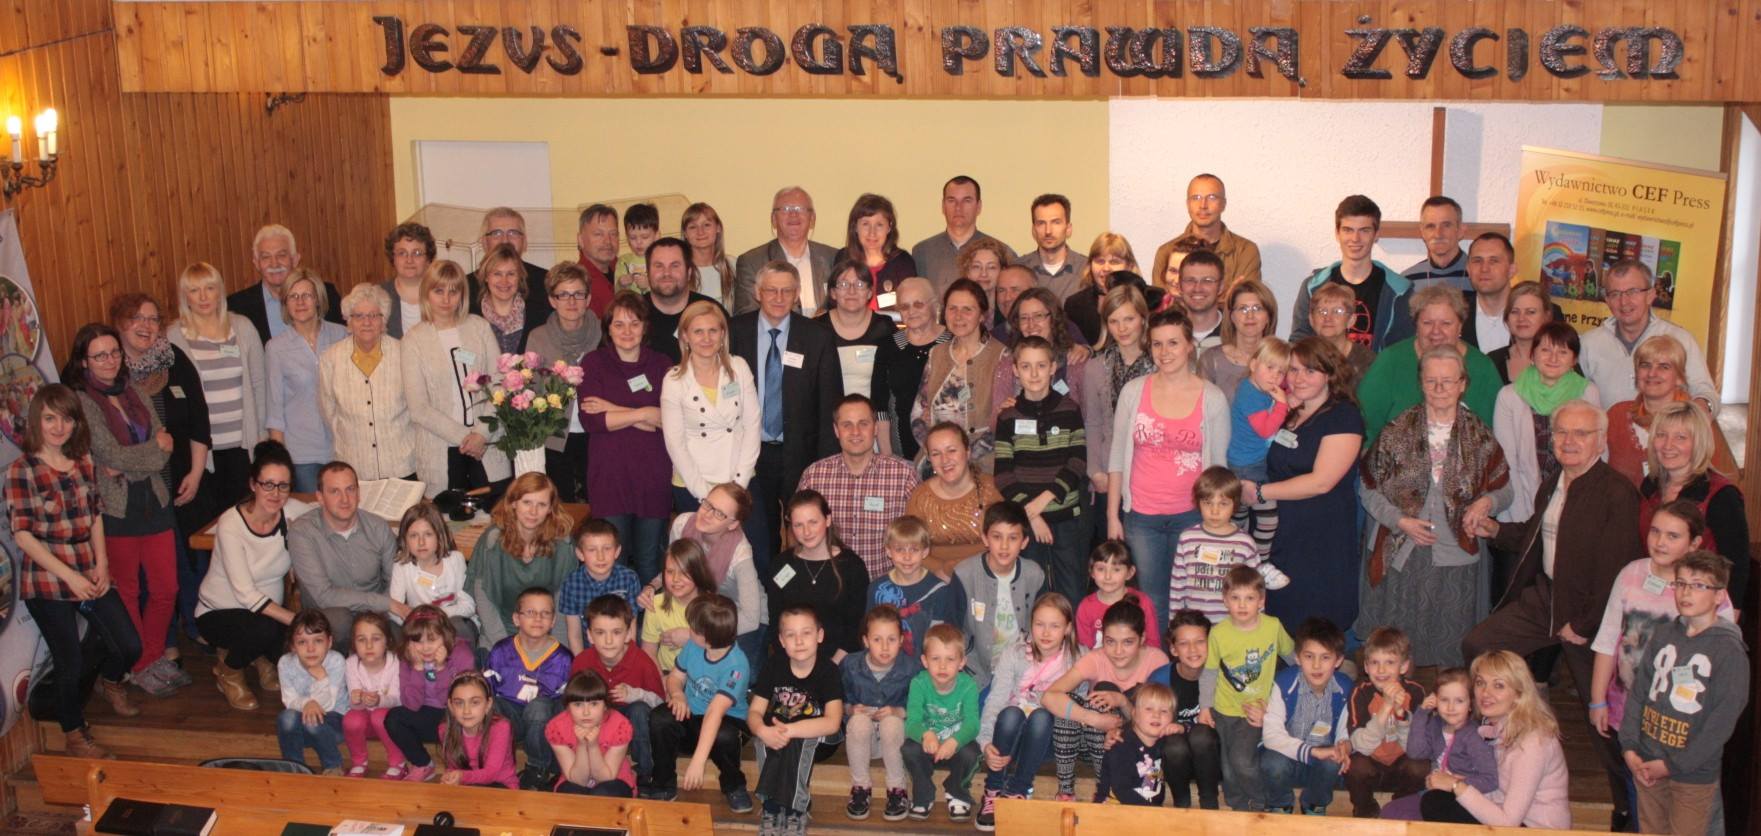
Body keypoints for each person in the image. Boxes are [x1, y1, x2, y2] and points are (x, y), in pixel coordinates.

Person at [1461, 399, 1642, 826]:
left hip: (1590, 617)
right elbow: (1535, 536)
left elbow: (1617, 569)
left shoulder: (1617, 492)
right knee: (1479, 644)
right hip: (1546, 599)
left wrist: (1583, 623)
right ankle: (1495, 750)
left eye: (1581, 433)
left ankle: (1626, 807)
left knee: (1603, 717)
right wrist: (1495, 529)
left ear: (1600, 441)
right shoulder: (1554, 482)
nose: (1569, 441)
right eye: (1562, 432)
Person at [9, 385, 143, 757]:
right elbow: (23, 536)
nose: (59, 427)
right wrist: (70, 577)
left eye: (67, 419)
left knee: (129, 644)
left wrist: (102, 564)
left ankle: (111, 681)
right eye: (50, 418)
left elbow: (95, 515)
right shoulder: (23, 470)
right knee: (69, 660)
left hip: (89, 565)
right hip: (47, 577)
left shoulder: (82, 460)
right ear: (36, 420)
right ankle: (73, 732)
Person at [1358, 347, 1512, 667]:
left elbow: (1505, 490)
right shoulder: (1395, 431)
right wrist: (1400, 521)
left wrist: (1486, 502)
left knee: (1451, 651)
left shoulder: (1480, 436)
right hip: (1402, 555)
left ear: (1462, 384)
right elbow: (1368, 489)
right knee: (1397, 652)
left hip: (1456, 558)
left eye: (1448, 381)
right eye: (1431, 381)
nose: (1440, 389)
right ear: (1421, 383)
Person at [1588, 501, 1736, 802]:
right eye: (1655, 531)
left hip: (1681, 720)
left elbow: (1724, 657)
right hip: (1628, 710)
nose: (1660, 542)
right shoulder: (1631, 574)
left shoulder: (1707, 590)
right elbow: (1607, 638)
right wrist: (1597, 699)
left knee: (1680, 798)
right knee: (1638, 788)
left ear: (1694, 543)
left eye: (1673, 536)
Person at [66, 322, 182, 698]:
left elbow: (165, 444)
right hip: (117, 509)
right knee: (128, 591)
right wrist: (146, 453)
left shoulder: (135, 390)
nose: (110, 361)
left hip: (154, 500)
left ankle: (150, 656)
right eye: (99, 355)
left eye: (114, 352)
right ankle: (139, 664)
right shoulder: (82, 402)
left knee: (166, 588)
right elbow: (110, 454)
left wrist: (130, 461)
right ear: (84, 361)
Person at [1107, 308, 1229, 628]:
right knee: (1153, 599)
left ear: (1190, 345)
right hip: (1142, 516)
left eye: (1173, 343)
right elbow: (1117, 456)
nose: (1164, 352)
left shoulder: (1212, 398)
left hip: (1192, 515)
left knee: (1192, 598)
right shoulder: (1134, 392)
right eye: (1157, 344)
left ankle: (1189, 657)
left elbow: (1219, 469)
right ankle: (1160, 657)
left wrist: (1215, 521)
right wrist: (1112, 515)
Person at [1619, 550, 1749, 836]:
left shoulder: (1728, 650)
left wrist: (1672, 765)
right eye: (1681, 583)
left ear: (1719, 596)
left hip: (1692, 774)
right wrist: (1629, 746)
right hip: (1647, 761)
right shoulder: (1664, 634)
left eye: (1699, 585)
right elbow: (1639, 694)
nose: (1686, 593)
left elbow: (1721, 721)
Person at [110, 292, 211, 656]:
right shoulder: (108, 367)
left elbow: (199, 419)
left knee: (187, 562)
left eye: (153, 319)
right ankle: (163, 642)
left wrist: (196, 472)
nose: (146, 326)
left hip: (181, 479)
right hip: (134, 489)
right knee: (151, 572)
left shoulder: (174, 359)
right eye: (137, 318)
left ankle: (195, 624)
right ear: (120, 323)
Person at [731, 261, 844, 572]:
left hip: (801, 453)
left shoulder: (817, 336)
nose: (779, 298)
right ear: (757, 293)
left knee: (804, 531)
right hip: (749, 452)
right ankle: (765, 589)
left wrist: (826, 462)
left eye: (787, 291)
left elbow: (829, 402)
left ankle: (802, 587)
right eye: (771, 290)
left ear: (797, 294)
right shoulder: (734, 332)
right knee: (757, 532)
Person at [1246, 338, 1365, 631]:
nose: (1299, 378)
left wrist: (1260, 492)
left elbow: (1321, 482)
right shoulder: (1287, 411)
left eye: (1310, 371)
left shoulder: (1344, 416)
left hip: (1321, 535)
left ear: (1330, 374)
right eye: (1294, 370)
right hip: (1280, 532)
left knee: (1317, 619)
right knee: (1277, 615)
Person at [196, 441, 310, 711]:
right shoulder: (231, 524)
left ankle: (261, 658)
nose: (276, 493)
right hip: (219, 610)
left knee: (290, 650)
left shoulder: (292, 511)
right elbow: (246, 595)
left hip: (267, 613)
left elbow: (327, 512)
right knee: (267, 630)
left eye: (283, 486)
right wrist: (296, 620)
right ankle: (228, 672)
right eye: (267, 484)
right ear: (253, 484)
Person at [1416, 651, 1570, 828]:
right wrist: (1452, 782)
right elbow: (1498, 789)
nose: (1485, 693)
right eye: (1480, 683)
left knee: (1435, 802)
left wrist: (1456, 785)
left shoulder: (1533, 743)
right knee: (1437, 800)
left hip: (1537, 829)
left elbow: (1507, 823)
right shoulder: (1495, 727)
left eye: (1498, 685)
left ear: (1519, 693)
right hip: (1509, 815)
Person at [579, 292, 673, 584]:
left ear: (645, 327)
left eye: (634, 323)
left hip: (653, 477)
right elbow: (593, 420)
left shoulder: (662, 365)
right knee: (610, 562)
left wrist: (614, 409)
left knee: (649, 560)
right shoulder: (593, 363)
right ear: (608, 329)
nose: (627, 331)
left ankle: (650, 615)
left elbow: (669, 420)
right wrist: (644, 413)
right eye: (618, 324)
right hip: (609, 479)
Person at [1039, 599, 1169, 802]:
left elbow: (1160, 719)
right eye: (1110, 641)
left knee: (1105, 693)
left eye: (1127, 642)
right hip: (1093, 743)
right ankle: (1066, 790)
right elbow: (1049, 696)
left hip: (1136, 749)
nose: (1118, 651)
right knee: (1075, 705)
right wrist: (1093, 719)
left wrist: (1123, 702)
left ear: (1142, 638)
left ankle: (1108, 788)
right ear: (1102, 638)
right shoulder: (1096, 658)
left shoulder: (1156, 660)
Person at [992, 336, 1088, 605]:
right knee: (1032, 593)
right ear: (1015, 370)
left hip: (1066, 517)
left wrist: (1043, 501)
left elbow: (1077, 462)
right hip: (1025, 521)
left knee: (1072, 591)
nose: (1034, 374)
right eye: (1026, 366)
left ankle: (1071, 634)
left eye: (1041, 366)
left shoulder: (1070, 409)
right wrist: (1032, 515)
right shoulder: (1007, 417)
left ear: (1053, 367)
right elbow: (1003, 475)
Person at [402, 260, 509, 495]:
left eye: (453, 291)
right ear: (426, 293)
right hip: (441, 450)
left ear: (463, 294)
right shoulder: (413, 340)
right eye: (438, 290)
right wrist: (467, 438)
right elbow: (418, 408)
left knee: (496, 512)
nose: (446, 299)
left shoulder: (479, 327)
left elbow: (499, 385)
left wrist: (481, 434)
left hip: (487, 444)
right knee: (448, 516)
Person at [167, 261, 266, 510]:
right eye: (194, 290)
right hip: (201, 452)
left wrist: (262, 439)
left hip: (242, 446)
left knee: (245, 516)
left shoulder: (242, 327)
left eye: (209, 288)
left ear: (220, 291)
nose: (203, 297)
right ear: (185, 296)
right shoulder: (173, 336)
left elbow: (259, 384)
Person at [1637, 401, 1751, 607]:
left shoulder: (1722, 495)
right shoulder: (1650, 486)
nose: (1668, 445)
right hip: (1654, 598)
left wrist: (1729, 613)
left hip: (1702, 606)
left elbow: (1737, 564)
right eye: (1661, 435)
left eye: (1680, 437)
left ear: (1699, 443)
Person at [976, 591, 1077, 825]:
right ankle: (993, 790)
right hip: (1008, 736)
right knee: (1011, 713)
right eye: (1039, 624)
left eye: (1055, 626)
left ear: (1068, 628)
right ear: (1030, 624)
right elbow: (996, 699)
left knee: (1041, 716)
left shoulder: (1076, 659)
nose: (1046, 632)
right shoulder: (1015, 653)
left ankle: (1018, 789)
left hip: (1045, 740)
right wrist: (985, 742)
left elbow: (1076, 707)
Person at [646, 594, 754, 811]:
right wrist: (677, 694)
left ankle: (734, 785)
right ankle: (663, 783)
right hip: (693, 716)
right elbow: (675, 677)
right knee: (659, 718)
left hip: (727, 721)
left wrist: (698, 762)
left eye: (693, 629)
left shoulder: (737, 665)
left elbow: (715, 711)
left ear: (707, 637)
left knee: (725, 736)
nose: (689, 630)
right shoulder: (694, 646)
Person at [1358, 284, 1502, 446]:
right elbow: (1364, 424)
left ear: (1460, 326)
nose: (1436, 331)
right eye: (1427, 323)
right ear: (1416, 325)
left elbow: (1494, 434)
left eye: (1446, 323)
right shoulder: (1390, 361)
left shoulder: (1482, 368)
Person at [1202, 565, 1295, 812]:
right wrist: (1205, 707)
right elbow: (1209, 672)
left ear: (1261, 601)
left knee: (1242, 761)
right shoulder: (1218, 633)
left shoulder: (1273, 626)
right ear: (1225, 601)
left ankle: (1263, 799)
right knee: (1228, 768)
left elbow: (1292, 656)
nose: (1242, 605)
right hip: (1223, 709)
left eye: (1250, 598)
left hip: (1254, 710)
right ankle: (1238, 806)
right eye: (1235, 598)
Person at [798, 394, 920, 581]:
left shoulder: (904, 476)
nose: (855, 432)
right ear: (836, 430)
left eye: (863, 424)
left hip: (885, 587)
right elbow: (797, 534)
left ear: (876, 428)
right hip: (830, 585)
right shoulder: (814, 477)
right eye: (847, 425)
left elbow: (919, 535)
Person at [749, 604, 847, 835]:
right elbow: (754, 713)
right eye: (791, 635)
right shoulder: (774, 665)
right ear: (781, 641)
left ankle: (796, 809)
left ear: (819, 636)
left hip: (822, 738)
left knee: (799, 740)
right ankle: (771, 808)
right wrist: (762, 730)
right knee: (763, 739)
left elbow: (832, 722)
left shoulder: (828, 670)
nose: (799, 641)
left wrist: (791, 730)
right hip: (782, 734)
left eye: (806, 633)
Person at [1493, 321, 1597, 527]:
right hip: (1520, 504)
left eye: (1563, 352)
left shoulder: (1587, 393)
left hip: (1576, 503)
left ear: (1574, 359)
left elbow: (1595, 454)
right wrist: (1525, 520)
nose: (1553, 358)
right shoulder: (1509, 396)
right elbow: (1507, 462)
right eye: (1545, 350)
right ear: (1532, 355)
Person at [1579, 259, 1719, 412]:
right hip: (1607, 427)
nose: (1624, 302)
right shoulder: (1588, 343)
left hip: (1665, 427)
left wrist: (1697, 413)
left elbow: (1706, 394)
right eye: (1615, 294)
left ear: (1650, 295)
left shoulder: (1680, 340)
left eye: (1632, 292)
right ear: (1607, 300)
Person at [661, 300, 760, 510]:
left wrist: (739, 483)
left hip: (740, 478)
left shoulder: (739, 367)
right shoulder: (674, 380)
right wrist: (704, 494)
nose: (706, 339)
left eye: (713, 331)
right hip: (693, 483)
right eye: (698, 331)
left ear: (722, 334)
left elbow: (752, 426)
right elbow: (674, 442)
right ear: (685, 336)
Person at [288, 462, 403, 638]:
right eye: (334, 491)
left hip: (376, 614)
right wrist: (386, 603)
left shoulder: (378, 527)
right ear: (320, 497)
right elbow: (324, 596)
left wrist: (378, 613)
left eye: (350, 489)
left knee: (406, 633)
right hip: (327, 616)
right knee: (340, 621)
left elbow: (394, 581)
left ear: (359, 493)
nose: (345, 499)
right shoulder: (302, 532)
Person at [1606, 334, 1739, 487]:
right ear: (1636, 373)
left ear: (1680, 378)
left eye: (1664, 367)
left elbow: (1713, 483)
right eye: (1645, 365)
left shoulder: (1696, 420)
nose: (1652, 373)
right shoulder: (1616, 415)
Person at [318, 284, 417, 483]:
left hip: (402, 464)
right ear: (349, 321)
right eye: (359, 316)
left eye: (373, 316)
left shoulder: (404, 353)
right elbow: (328, 411)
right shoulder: (330, 358)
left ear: (384, 319)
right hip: (354, 467)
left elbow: (416, 407)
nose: (366, 322)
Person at [1081, 285, 1154, 556]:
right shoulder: (1095, 367)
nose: (1122, 328)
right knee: (1112, 555)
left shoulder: (1160, 365)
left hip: (1148, 473)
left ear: (1143, 319)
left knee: (1143, 555)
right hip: (1107, 472)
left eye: (1129, 319)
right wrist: (1095, 470)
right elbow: (1092, 422)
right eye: (1114, 321)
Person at [1290, 195, 1415, 352]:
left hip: (1376, 368)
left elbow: (1401, 350)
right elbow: (1299, 343)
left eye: (1364, 230)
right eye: (1348, 230)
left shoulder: (1399, 291)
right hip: (1322, 368)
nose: (1355, 239)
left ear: (1376, 234)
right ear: (1337, 233)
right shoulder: (1312, 287)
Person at [466, 472, 576, 645]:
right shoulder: (493, 541)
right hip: (500, 631)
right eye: (527, 502)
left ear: (550, 509)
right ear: (513, 503)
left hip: (547, 631)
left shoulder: (562, 543)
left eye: (541, 504)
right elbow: (484, 599)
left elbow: (563, 603)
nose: (533, 511)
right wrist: (505, 647)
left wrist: (556, 647)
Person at [1257, 617, 1353, 816]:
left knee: (1332, 762)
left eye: (1325, 658)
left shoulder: (1345, 688)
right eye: (1309, 656)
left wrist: (1344, 746)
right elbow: (1271, 736)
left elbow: (1344, 730)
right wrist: (1312, 752)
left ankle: (1314, 804)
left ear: (1338, 661)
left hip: (1321, 762)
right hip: (1285, 755)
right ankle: (1280, 804)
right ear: (1298, 658)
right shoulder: (1284, 683)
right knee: (1272, 763)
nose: (1316, 665)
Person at [663, 483, 767, 663]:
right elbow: (674, 567)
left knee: (734, 669)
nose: (707, 514)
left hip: (740, 617)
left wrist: (694, 636)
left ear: (733, 524)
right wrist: (652, 586)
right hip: (703, 607)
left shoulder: (740, 553)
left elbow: (751, 618)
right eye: (707, 504)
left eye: (719, 513)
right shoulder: (682, 524)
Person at [522, 260, 599, 503]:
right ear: (552, 300)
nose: (571, 301)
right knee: (561, 506)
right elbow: (530, 389)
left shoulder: (603, 334)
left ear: (588, 298)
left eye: (578, 293)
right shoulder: (538, 337)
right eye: (563, 294)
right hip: (554, 437)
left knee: (596, 503)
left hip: (596, 435)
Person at [570, 595, 664, 793]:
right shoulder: (582, 662)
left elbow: (660, 705)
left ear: (629, 633)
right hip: (595, 723)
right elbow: (572, 703)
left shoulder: (642, 662)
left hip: (631, 719)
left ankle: (645, 772)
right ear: (589, 636)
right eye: (600, 633)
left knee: (640, 710)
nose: (609, 640)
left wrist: (635, 694)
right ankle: (572, 767)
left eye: (616, 632)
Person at [1378, 666, 1498, 820]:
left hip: (1463, 799)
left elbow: (1490, 780)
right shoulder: (1436, 724)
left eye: (1459, 701)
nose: (1451, 707)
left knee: (1416, 815)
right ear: (1435, 700)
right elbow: (1415, 752)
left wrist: (1455, 782)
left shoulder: (1474, 736)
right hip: (1434, 793)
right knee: (1390, 811)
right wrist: (1422, 713)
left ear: (1470, 704)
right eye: (1444, 700)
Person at [264, 269, 346, 492]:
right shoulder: (276, 348)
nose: (300, 302)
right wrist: (280, 462)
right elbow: (274, 412)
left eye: (307, 295)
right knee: (310, 511)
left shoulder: (342, 336)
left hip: (342, 448)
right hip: (301, 456)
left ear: (318, 299)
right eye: (293, 296)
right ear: (285, 303)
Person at [483, 586, 573, 788]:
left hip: (543, 723)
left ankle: (537, 768)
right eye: (530, 612)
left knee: (539, 706)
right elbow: (488, 689)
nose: (538, 618)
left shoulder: (564, 658)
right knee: (490, 704)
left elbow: (565, 706)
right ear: (516, 619)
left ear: (553, 620)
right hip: (512, 717)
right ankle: (498, 763)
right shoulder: (501, 651)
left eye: (545, 613)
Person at [764, 490, 870, 660]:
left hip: (840, 661)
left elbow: (855, 628)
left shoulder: (852, 566)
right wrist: (792, 664)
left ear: (827, 520)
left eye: (813, 522)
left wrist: (831, 666)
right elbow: (776, 621)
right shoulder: (782, 565)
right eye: (798, 525)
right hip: (793, 659)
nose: (806, 532)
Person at [913, 278, 1004, 474]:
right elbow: (917, 414)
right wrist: (935, 453)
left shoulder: (1002, 356)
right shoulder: (936, 354)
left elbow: (1004, 421)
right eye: (952, 308)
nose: (958, 316)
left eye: (967, 309)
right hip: (936, 466)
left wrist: (965, 458)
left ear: (982, 315)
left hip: (982, 466)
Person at [952, 501, 1046, 690]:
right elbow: (952, 628)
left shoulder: (1034, 574)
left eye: (1013, 538)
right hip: (975, 669)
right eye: (997, 537)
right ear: (985, 539)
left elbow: (1045, 622)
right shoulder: (965, 574)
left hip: (1023, 667)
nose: (1004, 546)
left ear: (1024, 542)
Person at [841, 604, 921, 822]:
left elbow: (922, 705)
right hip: (862, 743)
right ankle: (860, 787)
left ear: (901, 640)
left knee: (892, 722)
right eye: (877, 640)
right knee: (858, 721)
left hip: (895, 742)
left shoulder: (912, 668)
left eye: (891, 639)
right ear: (866, 641)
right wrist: (850, 709)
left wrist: (899, 711)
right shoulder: (850, 665)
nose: (885, 647)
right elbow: (838, 699)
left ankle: (897, 789)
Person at [1343, 626, 1432, 818]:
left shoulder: (1415, 692)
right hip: (1372, 763)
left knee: (1421, 766)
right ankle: (1366, 810)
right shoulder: (1360, 692)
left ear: (1404, 667)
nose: (1381, 670)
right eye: (1375, 662)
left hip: (1401, 764)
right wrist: (1385, 707)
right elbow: (1362, 747)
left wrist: (1401, 716)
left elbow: (1415, 749)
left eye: (1390, 662)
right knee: (1355, 766)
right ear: (1366, 667)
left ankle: (1400, 807)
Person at [381, 605, 476, 782]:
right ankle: (423, 763)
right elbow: (411, 704)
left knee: (455, 722)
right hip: (426, 713)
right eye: (418, 641)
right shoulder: (408, 657)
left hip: (455, 714)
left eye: (432, 639)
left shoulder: (462, 654)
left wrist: (441, 668)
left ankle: (459, 766)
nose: (425, 648)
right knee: (394, 718)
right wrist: (418, 668)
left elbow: (451, 701)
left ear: (445, 636)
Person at [901, 622, 983, 822]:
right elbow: (911, 723)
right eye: (935, 658)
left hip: (955, 746)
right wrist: (926, 734)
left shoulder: (968, 686)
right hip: (929, 745)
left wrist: (955, 741)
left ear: (962, 662)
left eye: (950, 659)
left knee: (972, 753)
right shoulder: (918, 684)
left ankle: (957, 791)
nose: (943, 666)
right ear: (924, 661)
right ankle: (923, 793)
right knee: (909, 749)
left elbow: (972, 725)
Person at [1224, 339, 1292, 568]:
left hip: (1248, 462)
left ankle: (1238, 561)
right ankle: (1260, 564)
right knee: (1267, 519)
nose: (1275, 376)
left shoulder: (1258, 389)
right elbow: (1265, 430)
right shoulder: (1250, 394)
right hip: (1247, 466)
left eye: (1281, 372)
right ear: (1253, 365)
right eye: (1269, 367)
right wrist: (1282, 405)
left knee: (1239, 516)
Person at [1172, 468, 1268, 623]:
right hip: (1195, 627)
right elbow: (1177, 586)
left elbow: (1257, 588)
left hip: (1233, 626)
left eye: (1223, 504)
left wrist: (1258, 625)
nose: (1215, 511)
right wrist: (1175, 623)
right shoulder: (1187, 538)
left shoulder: (1245, 543)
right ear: (1198, 503)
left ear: (1234, 504)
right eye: (1207, 503)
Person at [906, 423, 1004, 573]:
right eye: (936, 454)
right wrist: (943, 570)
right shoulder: (920, 497)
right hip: (936, 577)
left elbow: (1009, 541)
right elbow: (911, 547)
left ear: (967, 452)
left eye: (951, 450)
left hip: (988, 574)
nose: (945, 460)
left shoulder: (994, 489)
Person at [1149, 609, 1222, 809]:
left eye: (1200, 641)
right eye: (1183, 643)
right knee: (1174, 744)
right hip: (1175, 761)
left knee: (1201, 734)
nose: (1193, 649)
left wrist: (1186, 727)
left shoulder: (1222, 677)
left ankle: (1209, 802)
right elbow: (1147, 723)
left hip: (1212, 759)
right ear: (1173, 649)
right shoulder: (1161, 679)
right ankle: (1181, 804)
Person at [989, 286, 1090, 431]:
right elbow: (994, 425)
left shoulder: (1075, 361)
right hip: (1021, 441)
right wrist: (1002, 413)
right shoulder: (1008, 364)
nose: (1031, 325)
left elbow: (1090, 420)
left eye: (1038, 316)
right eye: (1024, 318)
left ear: (1053, 318)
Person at [873, 277, 950, 461]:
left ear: (934, 305)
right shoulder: (888, 346)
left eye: (918, 304)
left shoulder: (952, 342)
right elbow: (880, 407)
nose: (911, 311)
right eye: (904, 306)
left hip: (948, 449)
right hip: (902, 449)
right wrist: (887, 457)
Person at [228, 224, 343, 343]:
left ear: (295, 259)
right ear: (256, 263)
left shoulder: (326, 294)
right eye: (266, 257)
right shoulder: (237, 306)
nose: (274, 264)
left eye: (281, 255)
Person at [868, 515, 964, 659]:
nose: (907, 557)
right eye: (899, 549)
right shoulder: (877, 588)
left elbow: (946, 640)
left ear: (925, 552)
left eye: (914, 550)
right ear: (888, 551)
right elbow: (869, 634)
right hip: (887, 666)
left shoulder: (940, 591)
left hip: (926, 667)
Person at [734, 186, 838, 315]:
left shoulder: (833, 258)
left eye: (800, 209)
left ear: (812, 219)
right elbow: (746, 316)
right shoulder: (751, 262)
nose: (793, 214)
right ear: (773, 219)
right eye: (785, 209)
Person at [388, 500, 478, 646]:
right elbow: (394, 611)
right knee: (392, 628)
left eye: (428, 534)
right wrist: (420, 623)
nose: (421, 542)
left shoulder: (456, 560)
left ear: (439, 536)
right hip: (418, 626)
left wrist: (435, 615)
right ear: (405, 539)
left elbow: (468, 606)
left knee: (459, 627)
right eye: (414, 536)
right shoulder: (402, 565)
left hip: (452, 621)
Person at [1150, 174, 1263, 288]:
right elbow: (1161, 298)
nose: (1203, 205)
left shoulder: (1245, 251)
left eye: (1212, 197)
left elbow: (1246, 297)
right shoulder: (1166, 252)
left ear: (1223, 204)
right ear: (1188, 204)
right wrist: (1226, 295)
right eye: (1196, 198)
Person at [912, 175, 1015, 296]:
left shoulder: (1002, 252)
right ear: (943, 206)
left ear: (978, 206)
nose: (958, 207)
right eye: (951, 200)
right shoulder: (922, 253)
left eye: (967, 201)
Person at [274, 609, 349, 774]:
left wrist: (322, 678)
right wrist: (307, 703)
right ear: (293, 646)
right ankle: (294, 766)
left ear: (329, 642)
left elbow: (329, 705)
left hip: (333, 721)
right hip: (302, 719)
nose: (311, 648)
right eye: (302, 642)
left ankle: (332, 764)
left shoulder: (336, 661)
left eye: (318, 641)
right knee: (286, 717)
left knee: (312, 722)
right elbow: (289, 700)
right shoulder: (285, 663)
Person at [548, 670, 639, 796]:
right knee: (571, 793)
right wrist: (581, 746)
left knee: (602, 793)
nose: (586, 712)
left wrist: (593, 746)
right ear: (568, 707)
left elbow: (605, 778)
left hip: (614, 780)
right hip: (574, 778)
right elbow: (578, 780)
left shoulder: (619, 725)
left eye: (594, 704)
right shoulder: (557, 727)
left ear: (605, 705)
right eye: (578, 704)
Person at [558, 519, 644, 652]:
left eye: (607, 549)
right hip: (589, 651)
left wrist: (626, 659)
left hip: (622, 649)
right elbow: (574, 634)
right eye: (592, 550)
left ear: (617, 551)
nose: (600, 557)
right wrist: (581, 661)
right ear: (580, 554)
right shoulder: (571, 583)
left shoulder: (629, 578)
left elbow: (631, 627)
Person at [817, 255, 895, 399]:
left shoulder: (885, 327)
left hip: (875, 411)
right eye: (843, 284)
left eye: (859, 284)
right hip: (829, 411)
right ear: (833, 292)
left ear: (870, 292)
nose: (851, 291)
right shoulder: (817, 329)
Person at [342, 611, 405, 778]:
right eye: (361, 640)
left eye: (376, 639)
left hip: (389, 721)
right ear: (354, 643)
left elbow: (397, 699)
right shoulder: (351, 664)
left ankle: (398, 763)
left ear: (387, 641)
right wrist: (357, 700)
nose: (368, 646)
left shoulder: (395, 663)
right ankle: (359, 762)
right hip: (366, 720)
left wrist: (378, 701)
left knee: (379, 715)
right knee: (351, 719)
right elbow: (354, 705)